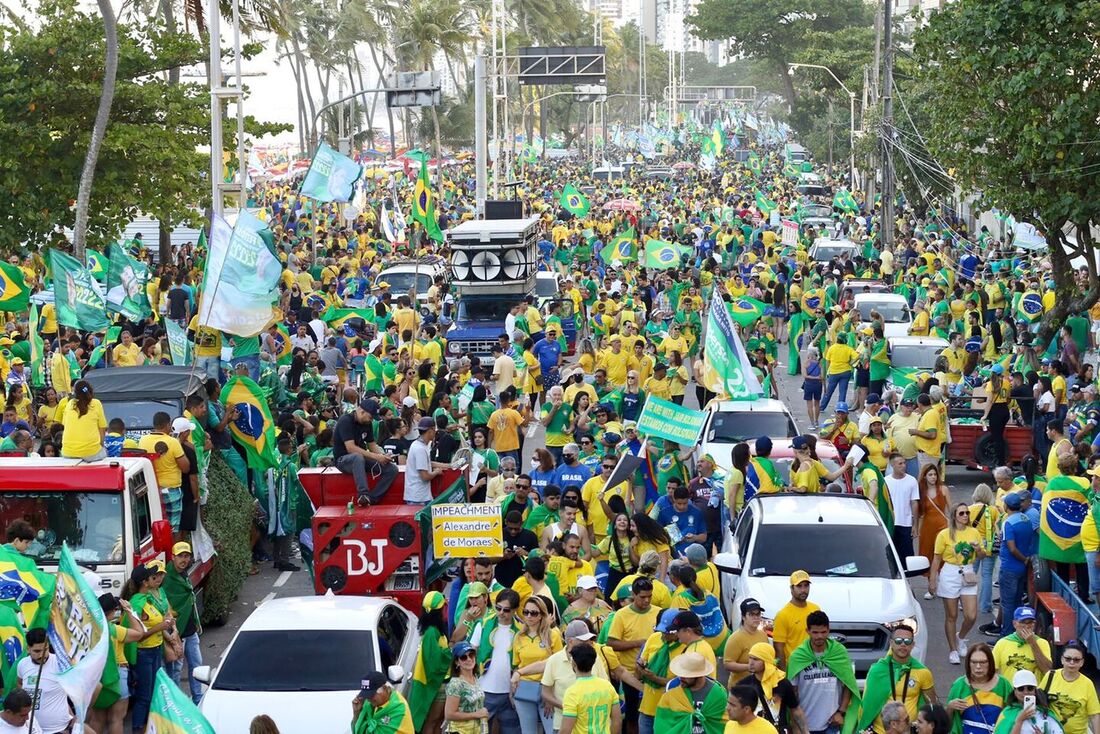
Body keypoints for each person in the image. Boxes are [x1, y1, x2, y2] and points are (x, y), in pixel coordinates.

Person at [786, 611, 859, 734]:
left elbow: (849, 684)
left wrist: (841, 712)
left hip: (832, 723)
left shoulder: (839, 652)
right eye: (815, 632)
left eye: (823, 632)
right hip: (805, 725)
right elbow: (792, 693)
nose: (819, 636)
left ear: (829, 630)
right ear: (807, 631)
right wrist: (796, 725)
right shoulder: (797, 656)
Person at [929, 502, 983, 665]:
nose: (965, 516)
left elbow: (982, 555)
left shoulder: (974, 532)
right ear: (954, 516)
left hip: (968, 571)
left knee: (971, 615)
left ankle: (961, 637)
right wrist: (933, 580)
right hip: (950, 572)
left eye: (967, 513)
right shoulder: (944, 534)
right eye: (961, 513)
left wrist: (978, 548)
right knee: (951, 615)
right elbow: (937, 558)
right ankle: (952, 649)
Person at [858, 624, 936, 734]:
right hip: (880, 731)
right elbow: (867, 705)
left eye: (907, 641)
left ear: (913, 645)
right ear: (891, 643)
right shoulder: (878, 671)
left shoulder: (923, 672)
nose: (903, 644)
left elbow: (931, 706)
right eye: (898, 640)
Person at [607, 577, 661, 730]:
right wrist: (638, 643)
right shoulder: (621, 615)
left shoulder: (658, 612)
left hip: (654, 673)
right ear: (634, 596)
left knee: (655, 713)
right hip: (631, 675)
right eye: (642, 597)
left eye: (649, 596)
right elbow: (611, 643)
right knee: (632, 715)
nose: (647, 600)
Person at [470, 589, 521, 732]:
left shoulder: (521, 629)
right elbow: (470, 653)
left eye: (506, 610)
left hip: (510, 692)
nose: (501, 613)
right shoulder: (483, 624)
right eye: (498, 608)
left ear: (515, 610)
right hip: (484, 688)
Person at [511, 595, 563, 732]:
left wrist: (551, 695)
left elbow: (559, 665)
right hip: (525, 688)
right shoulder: (519, 637)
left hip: (546, 687)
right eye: (526, 612)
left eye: (533, 613)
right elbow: (517, 665)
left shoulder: (553, 635)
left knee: (552, 730)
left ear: (541, 615)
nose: (529, 616)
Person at [333, 399, 398, 506]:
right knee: (357, 457)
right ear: (362, 412)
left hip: (361, 459)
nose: (371, 420)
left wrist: (383, 456)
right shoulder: (345, 421)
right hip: (343, 460)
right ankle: (363, 494)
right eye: (371, 417)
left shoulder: (367, 424)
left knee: (391, 469)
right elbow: (351, 448)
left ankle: (372, 499)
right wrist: (376, 457)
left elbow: (372, 445)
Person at [735, 642, 807, 734]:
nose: (751, 663)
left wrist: (805, 732)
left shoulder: (782, 683)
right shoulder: (743, 685)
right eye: (750, 658)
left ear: (767, 661)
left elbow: (795, 710)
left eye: (756, 659)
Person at [163, 542, 203, 704]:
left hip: (190, 630)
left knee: (197, 666)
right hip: (177, 632)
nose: (184, 560)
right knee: (176, 670)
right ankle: (177, 702)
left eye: (186, 556)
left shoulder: (183, 574)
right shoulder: (166, 578)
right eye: (180, 556)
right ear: (173, 557)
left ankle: (198, 698)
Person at [944, 643, 1014, 734]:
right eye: (974, 662)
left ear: (990, 663)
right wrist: (950, 707)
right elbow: (945, 724)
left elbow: (1014, 715)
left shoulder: (1003, 684)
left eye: (983, 662)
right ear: (968, 663)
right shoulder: (959, 685)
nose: (978, 667)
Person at [137, 412, 189, 531]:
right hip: (171, 490)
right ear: (168, 425)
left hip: (151, 490)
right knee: (172, 527)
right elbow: (186, 468)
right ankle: (172, 549)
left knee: (154, 527)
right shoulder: (173, 442)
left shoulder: (143, 440)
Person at [653, 652, 728, 734]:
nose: (681, 678)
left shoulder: (718, 694)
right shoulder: (671, 695)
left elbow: (723, 724)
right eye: (680, 674)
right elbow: (663, 723)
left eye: (686, 675)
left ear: (698, 675)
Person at [16, 629, 74, 734]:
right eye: (37, 651)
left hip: (59, 730)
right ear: (28, 649)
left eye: (45, 649)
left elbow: (79, 689)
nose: (42, 655)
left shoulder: (60, 663)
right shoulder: (22, 664)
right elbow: (19, 683)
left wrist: (76, 718)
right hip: (31, 729)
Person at [559, 643, 622, 734]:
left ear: (574, 664)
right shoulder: (607, 686)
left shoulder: (572, 692)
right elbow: (617, 722)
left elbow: (565, 730)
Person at [772, 570, 821, 670]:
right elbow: (778, 648)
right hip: (794, 669)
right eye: (799, 586)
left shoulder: (815, 609)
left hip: (814, 667)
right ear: (791, 588)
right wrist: (784, 676)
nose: (803, 590)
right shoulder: (783, 615)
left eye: (806, 585)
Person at [992, 670, 1065, 734]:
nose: (1026, 692)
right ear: (1014, 691)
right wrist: (1019, 721)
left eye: (1030, 688)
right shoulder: (1007, 713)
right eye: (1021, 689)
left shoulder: (1045, 713)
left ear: (1035, 690)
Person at [444, 640, 489, 734]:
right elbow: (449, 714)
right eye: (464, 657)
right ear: (457, 662)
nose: (469, 659)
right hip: (460, 731)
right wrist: (476, 715)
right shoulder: (456, 684)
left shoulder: (475, 678)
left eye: (471, 655)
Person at [60, 379, 107, 460]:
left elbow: (65, 425)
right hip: (91, 453)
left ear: (75, 393)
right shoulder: (96, 403)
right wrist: (101, 446)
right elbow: (102, 429)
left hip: (68, 452)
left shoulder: (69, 404)